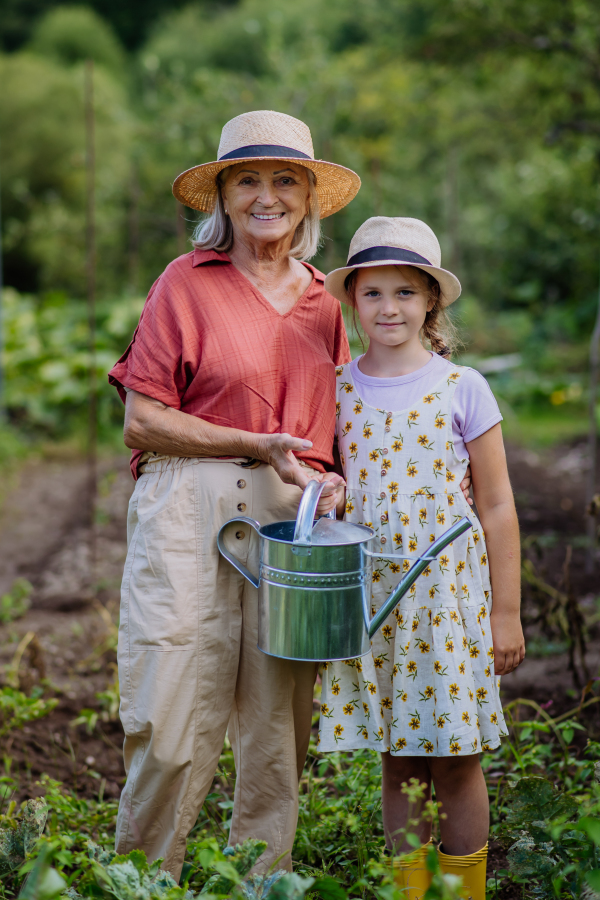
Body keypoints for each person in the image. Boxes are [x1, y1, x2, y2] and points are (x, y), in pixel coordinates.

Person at [107, 110, 361, 879]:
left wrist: (336, 478)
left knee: (276, 727)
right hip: (190, 507)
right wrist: (255, 442)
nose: (267, 196)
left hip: (290, 520)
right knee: (170, 704)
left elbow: (340, 432)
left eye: (286, 179)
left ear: (309, 198)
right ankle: (144, 882)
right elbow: (141, 421)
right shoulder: (186, 283)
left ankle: (261, 884)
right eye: (247, 179)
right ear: (222, 194)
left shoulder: (326, 303)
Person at [317, 217, 525, 900]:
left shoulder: (461, 386)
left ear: (431, 301)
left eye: (405, 293)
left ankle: (464, 891)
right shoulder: (339, 387)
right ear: (353, 301)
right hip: (377, 597)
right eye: (373, 293)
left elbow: (496, 507)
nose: (389, 308)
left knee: (458, 758)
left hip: (447, 599)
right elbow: (333, 477)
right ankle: (412, 890)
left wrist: (506, 613)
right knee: (399, 758)